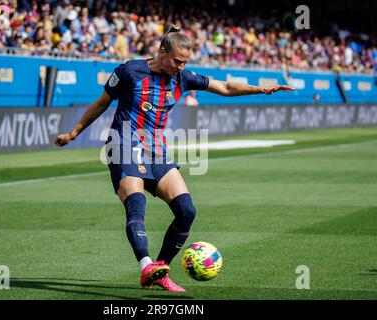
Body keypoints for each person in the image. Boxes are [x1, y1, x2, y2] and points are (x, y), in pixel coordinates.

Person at [54, 26, 294, 292]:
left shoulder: (182, 78)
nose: (181, 66)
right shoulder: (129, 71)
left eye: (185, 62)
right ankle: (145, 265)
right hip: (123, 145)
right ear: (162, 52)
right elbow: (102, 103)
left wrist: (262, 90)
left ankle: (160, 270)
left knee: (187, 211)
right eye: (177, 61)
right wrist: (74, 132)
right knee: (136, 204)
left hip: (156, 150)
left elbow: (224, 86)